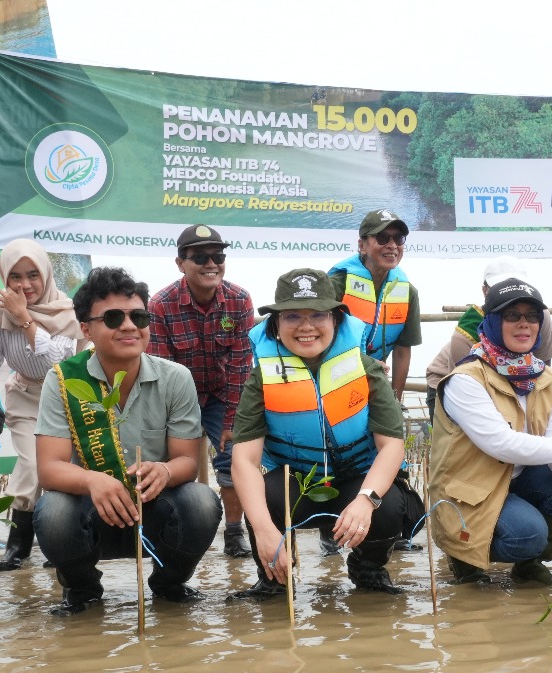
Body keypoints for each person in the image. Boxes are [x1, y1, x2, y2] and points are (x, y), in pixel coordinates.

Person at [33, 267, 222, 616]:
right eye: (113, 317)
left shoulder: (176, 378)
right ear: (86, 328)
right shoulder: (63, 381)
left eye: (138, 316)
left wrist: (164, 471)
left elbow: (188, 462)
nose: (129, 326)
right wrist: (93, 480)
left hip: (154, 505)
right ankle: (83, 590)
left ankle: (168, 584)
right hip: (92, 508)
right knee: (54, 511)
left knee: (202, 501)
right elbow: (49, 468)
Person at [230, 269, 409, 598]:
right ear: (275, 325)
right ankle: (274, 577)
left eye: (318, 315)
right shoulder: (261, 379)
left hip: (355, 480)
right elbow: (244, 460)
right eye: (292, 316)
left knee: (388, 505)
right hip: (298, 482)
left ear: (337, 320)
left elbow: (392, 446)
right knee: (265, 499)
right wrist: (263, 528)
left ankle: (367, 568)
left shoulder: (367, 370)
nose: (306, 326)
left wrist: (365, 501)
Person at [429, 278, 552, 585]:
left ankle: (528, 564)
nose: (523, 324)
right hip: (474, 488)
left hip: (519, 478)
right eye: (511, 316)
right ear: (491, 322)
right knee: (527, 533)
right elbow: (502, 445)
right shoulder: (465, 379)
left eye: (532, 316)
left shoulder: (547, 377)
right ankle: (464, 555)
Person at [0, 239, 81, 572]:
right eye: (15, 276)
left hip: (69, 398)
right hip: (26, 398)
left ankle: (62, 544)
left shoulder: (65, 309)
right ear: (4, 277)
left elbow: (55, 364)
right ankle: (18, 546)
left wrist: (25, 319)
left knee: (67, 471)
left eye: (32, 275)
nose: (24, 285)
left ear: (45, 275)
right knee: (31, 465)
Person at [146, 224, 255, 560]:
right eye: (201, 257)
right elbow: (162, 372)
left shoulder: (239, 300)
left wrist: (231, 421)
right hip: (179, 396)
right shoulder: (161, 305)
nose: (212, 264)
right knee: (174, 463)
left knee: (232, 457)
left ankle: (234, 533)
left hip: (224, 392)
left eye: (218, 256)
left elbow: (240, 365)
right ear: (181, 263)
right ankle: (174, 532)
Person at [323, 210, 422, 556]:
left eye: (398, 239)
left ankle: (390, 530)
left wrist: (393, 398)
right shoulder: (337, 282)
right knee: (339, 452)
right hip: (337, 378)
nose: (392, 245)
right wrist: (361, 366)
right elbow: (320, 335)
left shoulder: (406, 289)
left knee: (387, 453)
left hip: (378, 386)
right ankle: (329, 529)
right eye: (383, 238)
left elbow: (404, 349)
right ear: (363, 245)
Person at [424, 256, 552, 422]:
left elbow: (543, 369)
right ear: (485, 291)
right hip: (454, 383)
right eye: (511, 315)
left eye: (517, 286)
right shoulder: (465, 334)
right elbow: (463, 390)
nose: (524, 322)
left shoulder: (539, 317)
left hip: (515, 382)